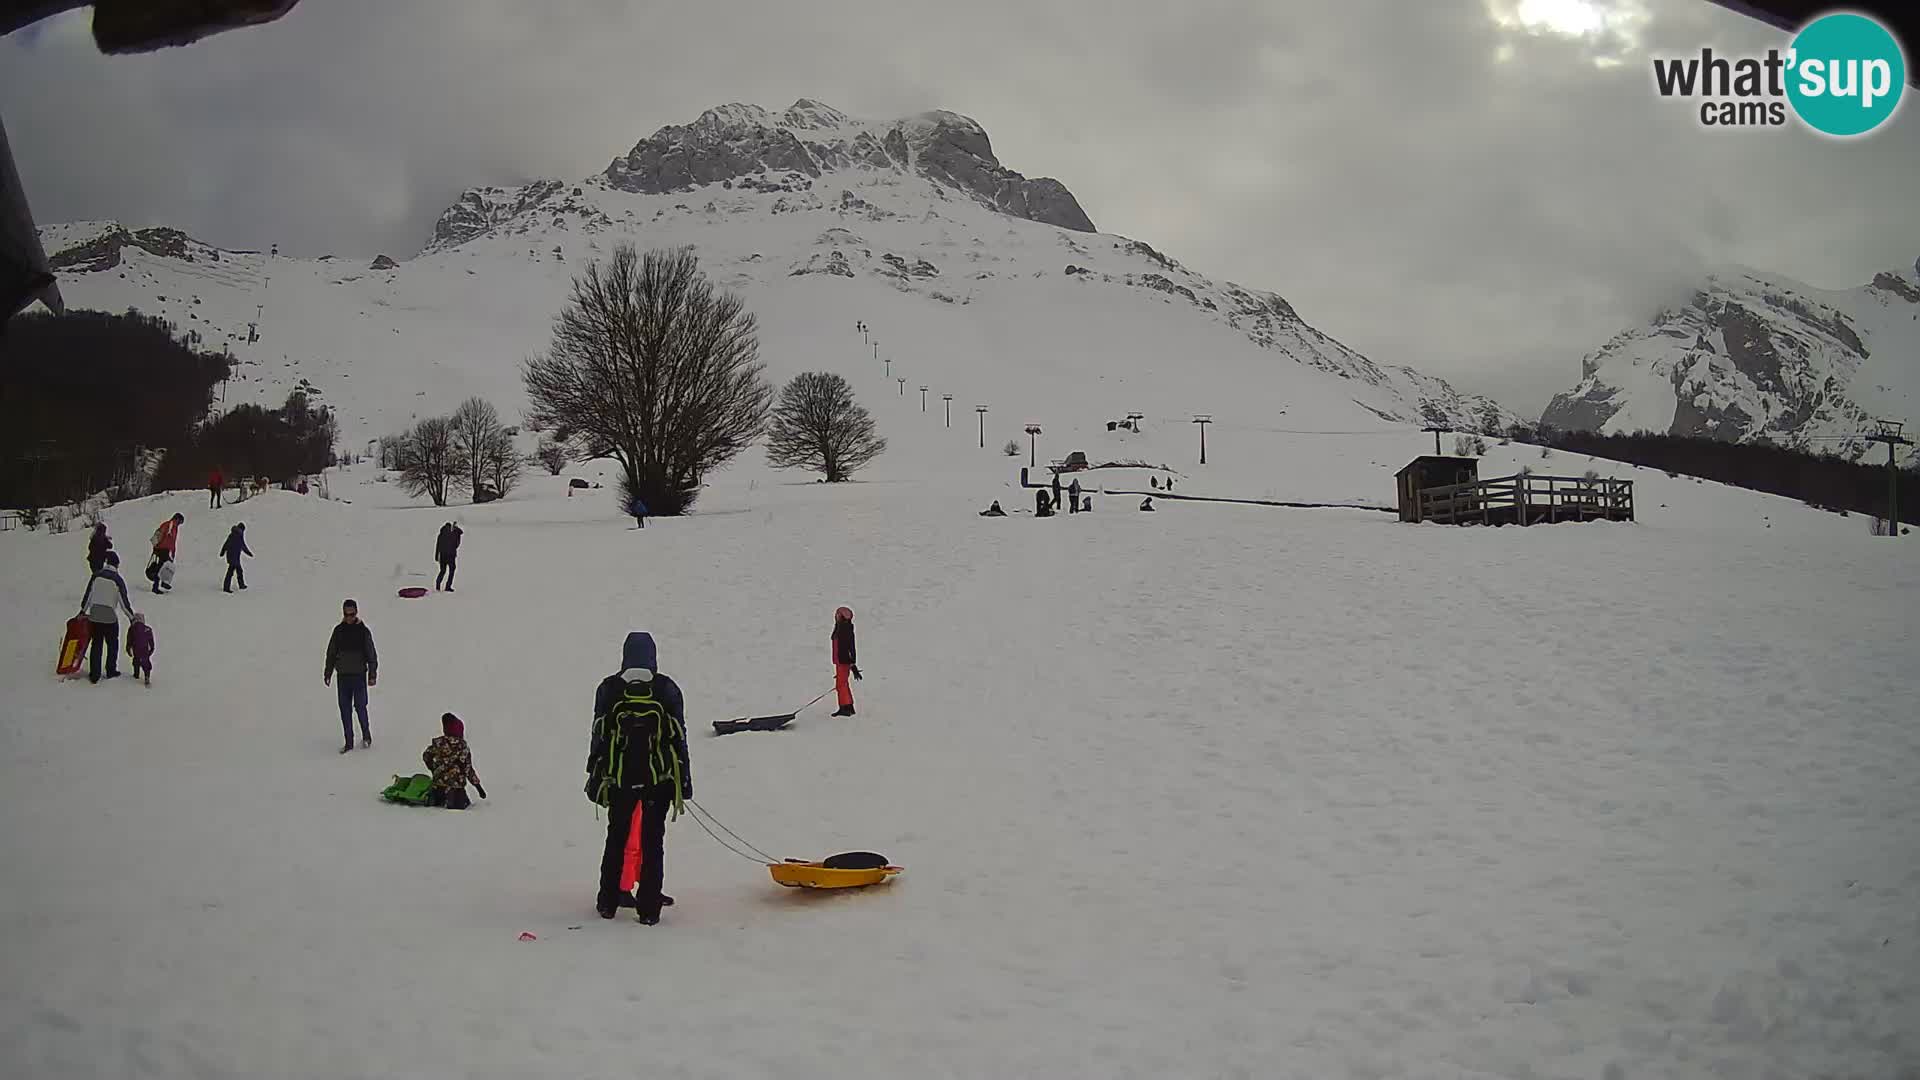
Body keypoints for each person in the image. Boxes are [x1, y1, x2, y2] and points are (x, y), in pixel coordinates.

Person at [586, 632, 690, 923]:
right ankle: (649, 909)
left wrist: (594, 776)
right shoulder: (666, 688)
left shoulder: (609, 688)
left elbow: (599, 735)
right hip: (659, 780)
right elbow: (679, 736)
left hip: (619, 779)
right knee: (653, 844)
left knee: (615, 839)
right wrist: (683, 780)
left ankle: (607, 902)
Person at [323, 599, 378, 753]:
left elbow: (371, 653)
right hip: (343, 677)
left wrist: (372, 674)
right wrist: (328, 672)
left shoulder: (363, 631)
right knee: (344, 709)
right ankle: (349, 741)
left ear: (356, 613)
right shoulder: (338, 631)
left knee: (360, 707)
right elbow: (331, 653)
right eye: (346, 614)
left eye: (352, 614)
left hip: (359, 676)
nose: (349, 617)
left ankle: (366, 736)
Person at [77, 551, 136, 683]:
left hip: (95, 615)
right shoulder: (118, 580)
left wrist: (82, 611)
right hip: (109, 616)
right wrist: (132, 618)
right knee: (112, 643)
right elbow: (124, 603)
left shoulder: (96, 576)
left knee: (96, 644)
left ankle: (95, 674)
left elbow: (88, 596)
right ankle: (111, 670)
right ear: (117, 564)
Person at [423, 712, 486, 810]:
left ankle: (436, 798)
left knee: (437, 796)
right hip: (455, 787)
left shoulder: (438, 744)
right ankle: (453, 801)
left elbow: (426, 756)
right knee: (461, 804)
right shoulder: (462, 748)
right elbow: (468, 769)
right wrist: (478, 786)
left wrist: (433, 768)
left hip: (438, 783)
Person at [831, 606, 863, 717]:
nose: (836, 616)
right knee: (842, 684)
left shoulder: (844, 629)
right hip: (840, 661)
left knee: (841, 685)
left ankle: (845, 708)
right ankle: (848, 706)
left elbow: (850, 648)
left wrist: (852, 664)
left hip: (843, 661)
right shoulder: (841, 628)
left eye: (837, 614)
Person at [148, 513, 185, 593]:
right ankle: (156, 587)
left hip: (166, 550)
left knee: (166, 567)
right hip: (162, 549)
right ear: (177, 519)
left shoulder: (174, 527)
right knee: (161, 567)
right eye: (180, 522)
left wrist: (173, 552)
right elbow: (161, 535)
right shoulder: (169, 525)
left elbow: (173, 541)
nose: (179, 524)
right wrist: (156, 546)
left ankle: (163, 583)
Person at [219, 523, 252, 592]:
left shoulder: (233, 535)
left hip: (233, 556)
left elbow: (226, 544)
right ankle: (226, 588)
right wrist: (249, 553)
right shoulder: (239, 536)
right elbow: (243, 546)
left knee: (239, 570)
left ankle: (241, 585)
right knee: (231, 571)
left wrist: (222, 552)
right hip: (234, 557)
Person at [126, 612, 156, 686]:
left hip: (136, 649)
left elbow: (129, 641)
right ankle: (147, 676)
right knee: (146, 663)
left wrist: (128, 649)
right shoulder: (148, 629)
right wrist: (151, 649)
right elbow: (151, 641)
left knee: (136, 661)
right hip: (145, 650)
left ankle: (136, 674)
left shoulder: (131, 629)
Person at [435, 522, 462, 591]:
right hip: (451, 556)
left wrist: (436, 556)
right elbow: (456, 545)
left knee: (442, 570)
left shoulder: (440, 535)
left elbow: (438, 546)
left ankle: (438, 585)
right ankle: (448, 586)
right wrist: (457, 531)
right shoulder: (452, 534)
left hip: (442, 556)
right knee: (452, 570)